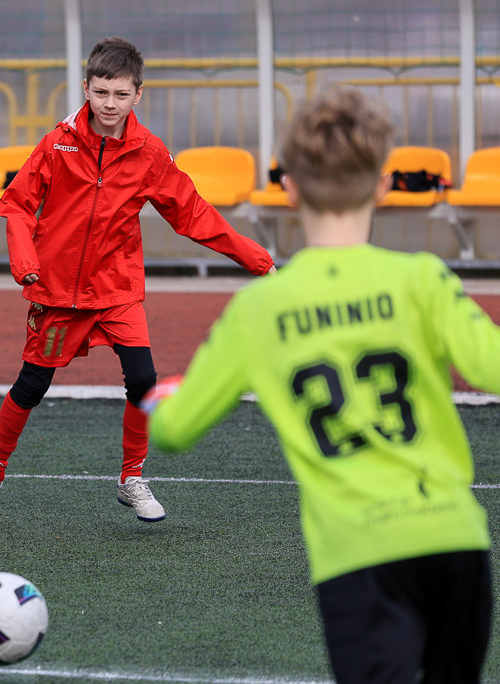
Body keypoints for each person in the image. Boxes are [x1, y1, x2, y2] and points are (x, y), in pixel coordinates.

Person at [148, 86, 494, 682]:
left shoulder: (260, 310)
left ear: (289, 188)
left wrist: (164, 397)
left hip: (358, 560)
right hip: (456, 543)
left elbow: (176, 431)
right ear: (383, 185)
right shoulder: (423, 280)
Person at [0, 36, 276, 530]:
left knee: (145, 380)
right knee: (31, 385)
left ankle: (132, 478)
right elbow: (17, 204)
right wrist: (25, 260)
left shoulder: (150, 153)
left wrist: (256, 259)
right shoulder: (57, 143)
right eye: (101, 92)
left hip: (116, 288)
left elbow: (191, 213)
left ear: (138, 96)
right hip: (57, 289)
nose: (110, 104)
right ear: (86, 88)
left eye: (121, 95)